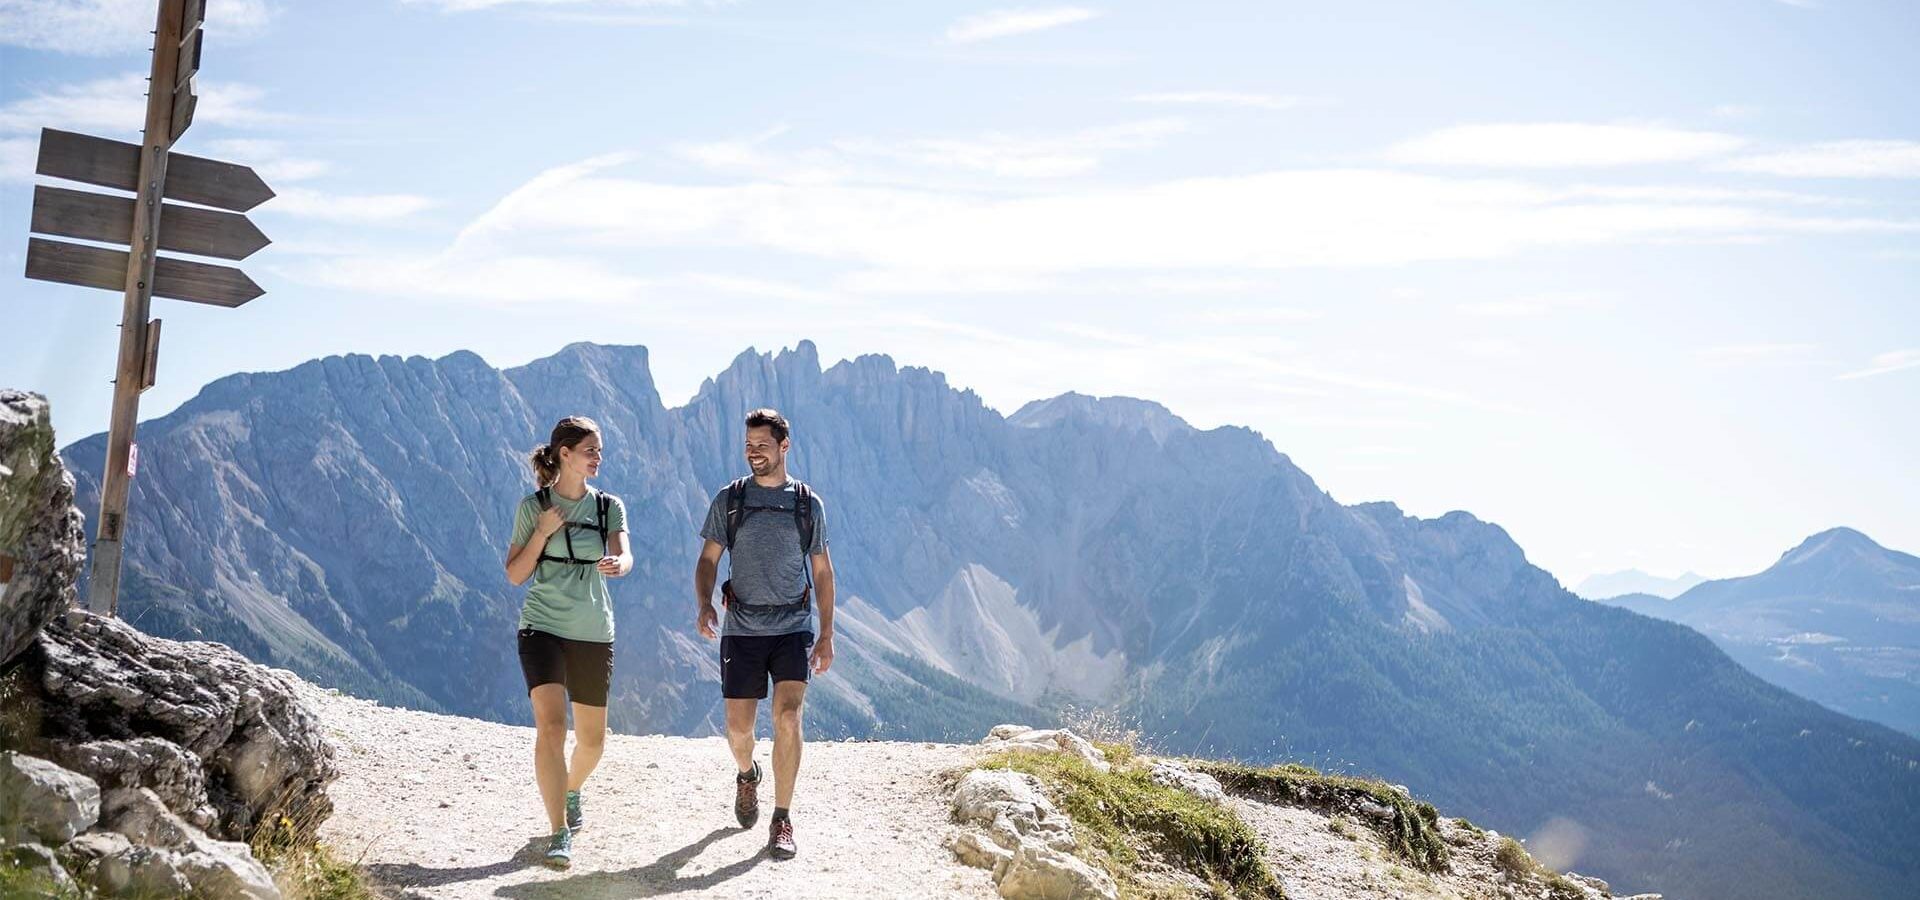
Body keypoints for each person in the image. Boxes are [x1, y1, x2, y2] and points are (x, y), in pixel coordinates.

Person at [694, 407, 836, 861]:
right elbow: (708, 560)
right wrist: (703, 602)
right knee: (739, 732)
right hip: (742, 629)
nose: (753, 453)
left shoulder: (806, 504)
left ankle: (781, 818)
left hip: (793, 627)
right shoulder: (730, 500)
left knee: (789, 717)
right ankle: (747, 774)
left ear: (784, 446)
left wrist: (827, 632)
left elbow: (823, 572)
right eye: (748, 445)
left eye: (762, 445)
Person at [504, 416, 630, 868]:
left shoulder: (608, 507)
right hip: (542, 628)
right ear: (565, 454)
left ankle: (571, 789)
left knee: (593, 742)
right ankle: (558, 831)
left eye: (599, 450)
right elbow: (516, 574)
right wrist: (542, 531)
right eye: (591, 450)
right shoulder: (532, 507)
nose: (599, 457)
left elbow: (624, 552)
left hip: (594, 632)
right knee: (553, 729)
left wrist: (619, 562)